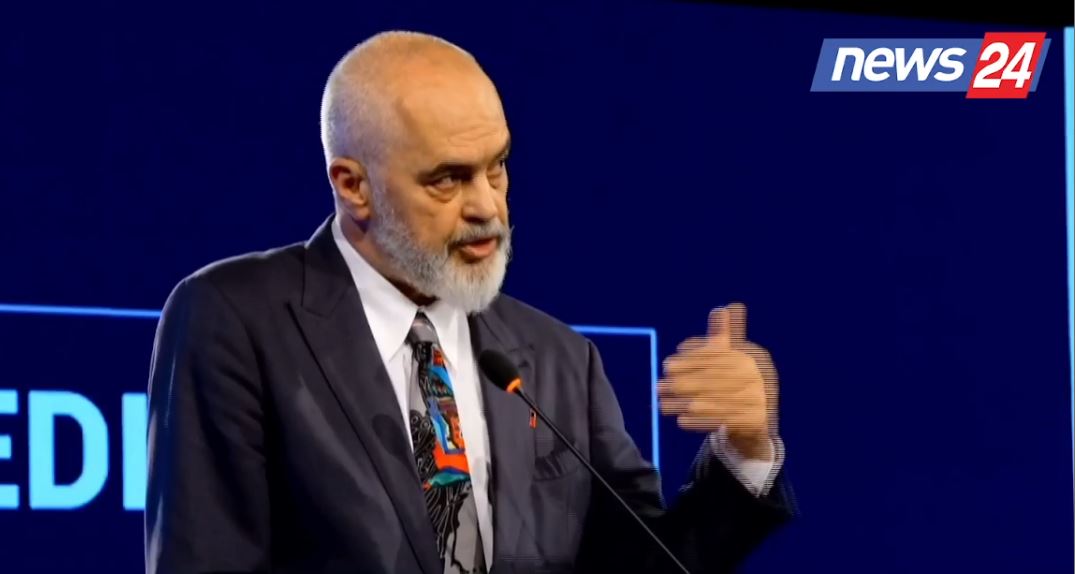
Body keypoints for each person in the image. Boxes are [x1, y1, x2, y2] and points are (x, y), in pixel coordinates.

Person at [145, 30, 795, 574]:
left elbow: (649, 565)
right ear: (353, 186)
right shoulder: (238, 320)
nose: (487, 206)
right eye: (448, 179)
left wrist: (745, 447)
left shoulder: (559, 360)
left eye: (497, 166)